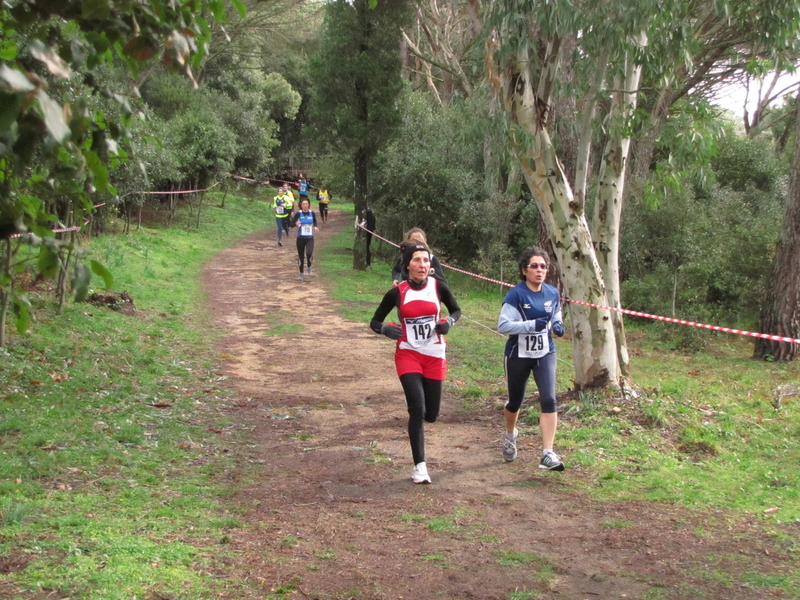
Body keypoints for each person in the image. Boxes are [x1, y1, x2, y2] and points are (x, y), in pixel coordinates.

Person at [370, 243, 461, 484]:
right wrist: (385, 329)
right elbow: (374, 321)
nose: (422, 265)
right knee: (416, 409)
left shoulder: (439, 287)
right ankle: (420, 466)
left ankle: (421, 446)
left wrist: (449, 322)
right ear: (407, 265)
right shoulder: (397, 292)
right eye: (417, 260)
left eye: (426, 260)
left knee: (431, 414)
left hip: (434, 354)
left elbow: (456, 310)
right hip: (408, 354)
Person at [497, 246, 566, 471]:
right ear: (524, 270)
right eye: (534, 266)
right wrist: (530, 326)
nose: (539, 270)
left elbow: (556, 312)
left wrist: (557, 324)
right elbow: (503, 325)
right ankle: (510, 435)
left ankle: (547, 453)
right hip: (518, 354)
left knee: (549, 399)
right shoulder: (516, 295)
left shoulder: (552, 292)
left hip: (545, 352)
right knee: (515, 401)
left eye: (543, 266)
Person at [290, 198, 319, 281]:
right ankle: (301, 273)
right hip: (300, 238)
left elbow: (315, 221)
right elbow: (291, 223)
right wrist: (295, 224)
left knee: (309, 253)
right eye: (303, 204)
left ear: (309, 205)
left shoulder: (312, 213)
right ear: (301, 205)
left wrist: (316, 226)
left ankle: (309, 265)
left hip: (310, 238)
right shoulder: (298, 214)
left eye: (306, 204)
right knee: (301, 256)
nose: (305, 205)